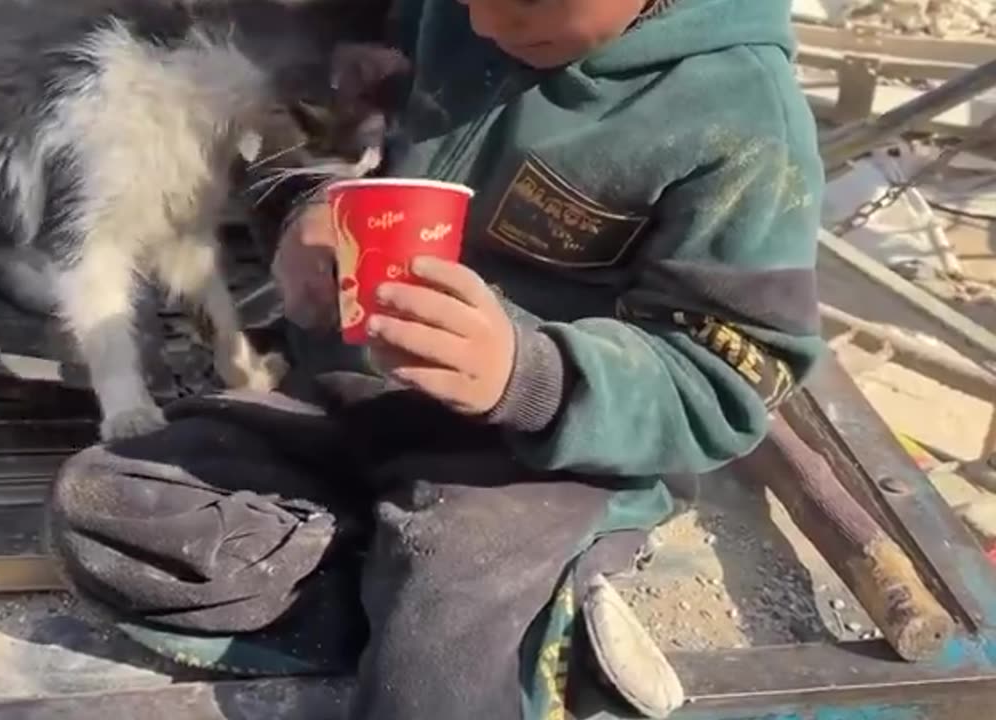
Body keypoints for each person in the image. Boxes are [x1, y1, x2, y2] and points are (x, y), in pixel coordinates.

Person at [44, 0, 825, 718]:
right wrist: (308, 209)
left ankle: (483, 584)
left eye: (525, 2)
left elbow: (730, 372)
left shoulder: (737, 115)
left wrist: (527, 374)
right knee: (107, 498)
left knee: (433, 680)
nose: (484, 25)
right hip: (357, 405)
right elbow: (314, 109)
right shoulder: (446, 13)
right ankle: (447, 588)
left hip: (532, 460)